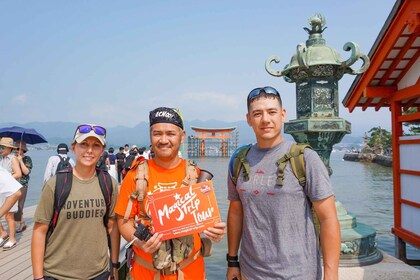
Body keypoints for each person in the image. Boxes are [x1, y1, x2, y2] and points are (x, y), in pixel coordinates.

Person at [226, 87, 340, 280]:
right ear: (248, 119)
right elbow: (236, 212)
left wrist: (331, 274)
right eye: (257, 114)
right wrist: (232, 261)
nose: (265, 119)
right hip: (250, 271)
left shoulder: (305, 158)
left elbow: (328, 219)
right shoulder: (239, 160)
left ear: (283, 115)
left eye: (272, 112)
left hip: (298, 273)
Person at [115, 107, 226, 280]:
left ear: (182, 136)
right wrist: (139, 242)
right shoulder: (135, 176)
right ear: (150, 135)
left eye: (170, 134)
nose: (163, 140)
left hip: (191, 271)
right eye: (157, 133)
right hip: (146, 272)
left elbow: (205, 219)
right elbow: (123, 220)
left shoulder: (196, 175)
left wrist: (216, 232)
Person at [31, 124, 120, 280]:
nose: (89, 150)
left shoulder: (108, 184)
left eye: (96, 146)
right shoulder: (55, 184)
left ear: (102, 151)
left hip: (98, 273)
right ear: (74, 148)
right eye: (84, 144)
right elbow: (39, 231)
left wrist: (113, 267)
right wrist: (38, 277)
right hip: (57, 273)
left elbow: (112, 226)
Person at [0, 137, 22, 250]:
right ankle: (3, 233)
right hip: (2, 190)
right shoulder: (2, 158)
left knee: (9, 216)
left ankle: (12, 239)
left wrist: (6, 178)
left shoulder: (12, 158)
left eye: (3, 147)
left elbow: (18, 174)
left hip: (11, 189)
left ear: (9, 148)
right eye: (0, 147)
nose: (1, 149)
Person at [14, 140, 33, 233]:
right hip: (12, 185)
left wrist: (20, 161)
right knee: (12, 206)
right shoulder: (12, 158)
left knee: (19, 205)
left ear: (23, 150)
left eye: (18, 149)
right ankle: (20, 222)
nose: (16, 151)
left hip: (22, 184)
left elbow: (26, 172)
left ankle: (21, 223)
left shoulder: (27, 159)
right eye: (15, 149)